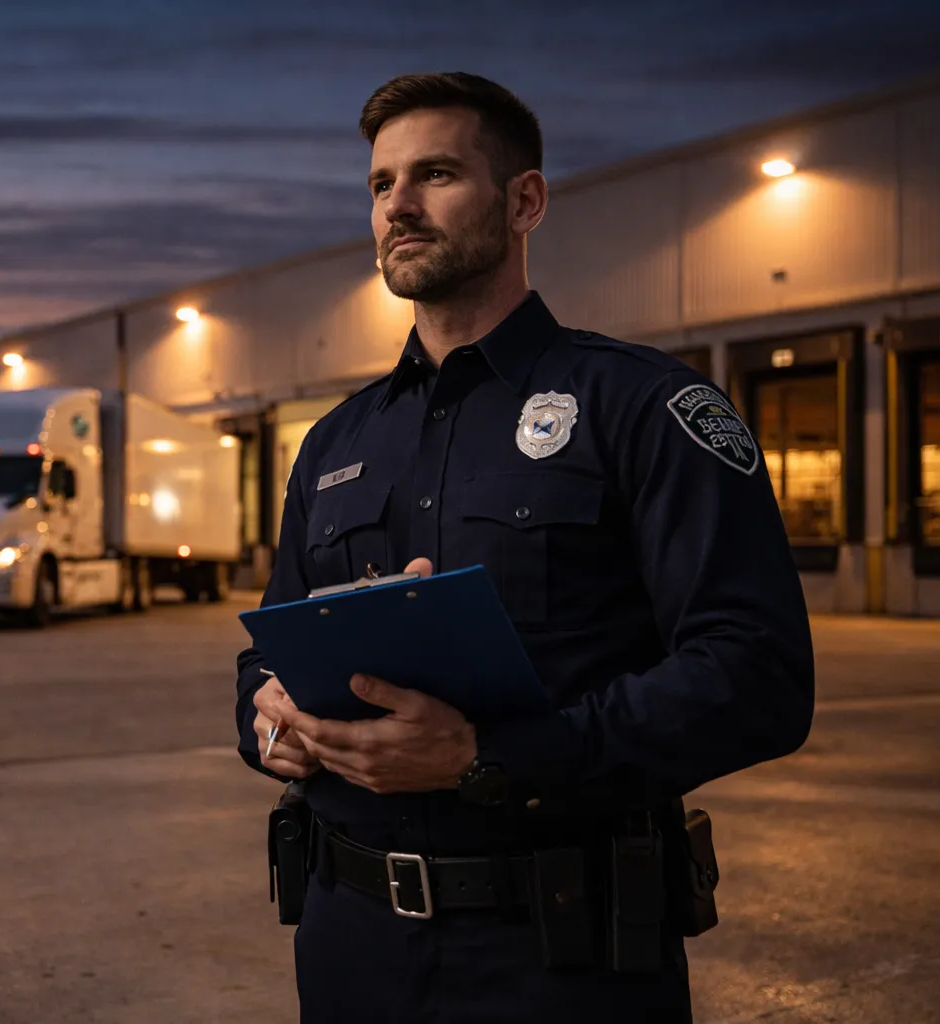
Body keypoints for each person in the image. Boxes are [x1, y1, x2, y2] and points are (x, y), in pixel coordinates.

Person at [233, 72, 814, 1023]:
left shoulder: (642, 407)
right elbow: (268, 646)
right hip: (350, 950)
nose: (399, 207)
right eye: (381, 185)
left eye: (435, 175)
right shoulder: (334, 442)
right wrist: (272, 725)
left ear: (525, 201)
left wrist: (489, 756)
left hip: (560, 954)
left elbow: (758, 677)